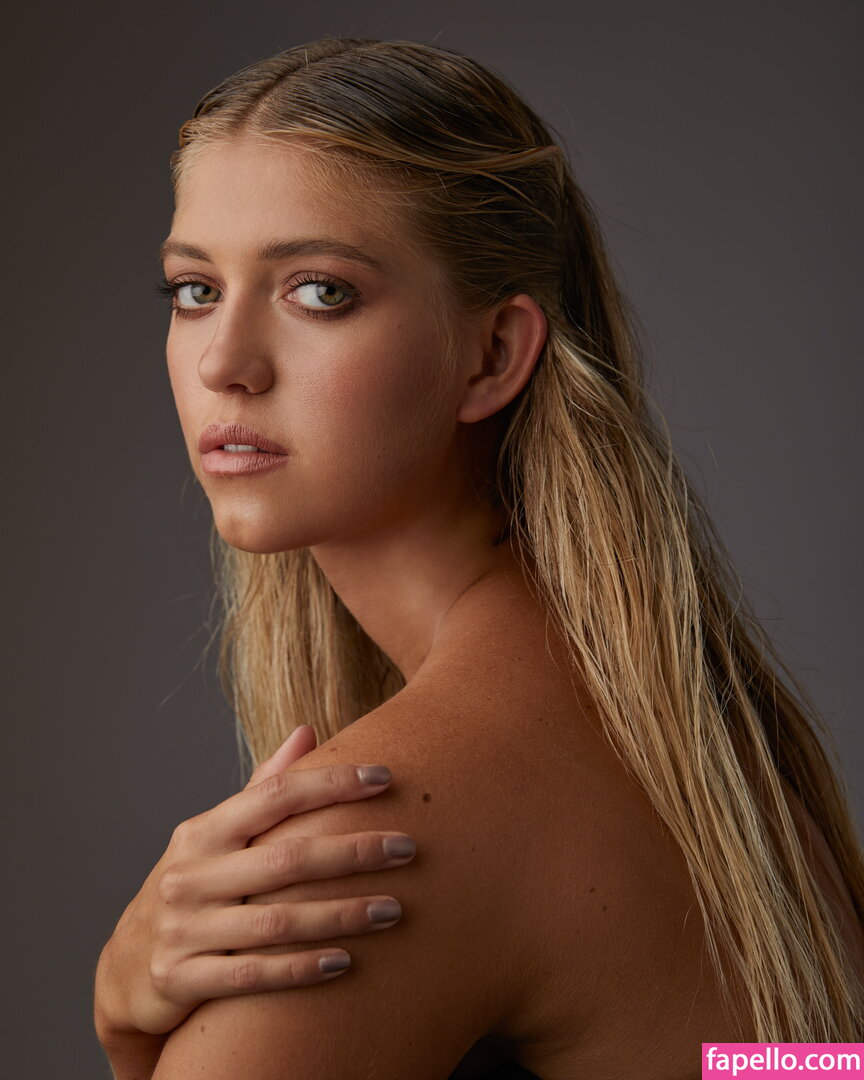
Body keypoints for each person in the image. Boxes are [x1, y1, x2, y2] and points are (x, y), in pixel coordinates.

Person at [93, 36, 864, 1079]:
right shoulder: (665, 724)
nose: (224, 362)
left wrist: (128, 1035)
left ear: (494, 353)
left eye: (319, 292)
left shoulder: (377, 836)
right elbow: (810, 1065)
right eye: (194, 291)